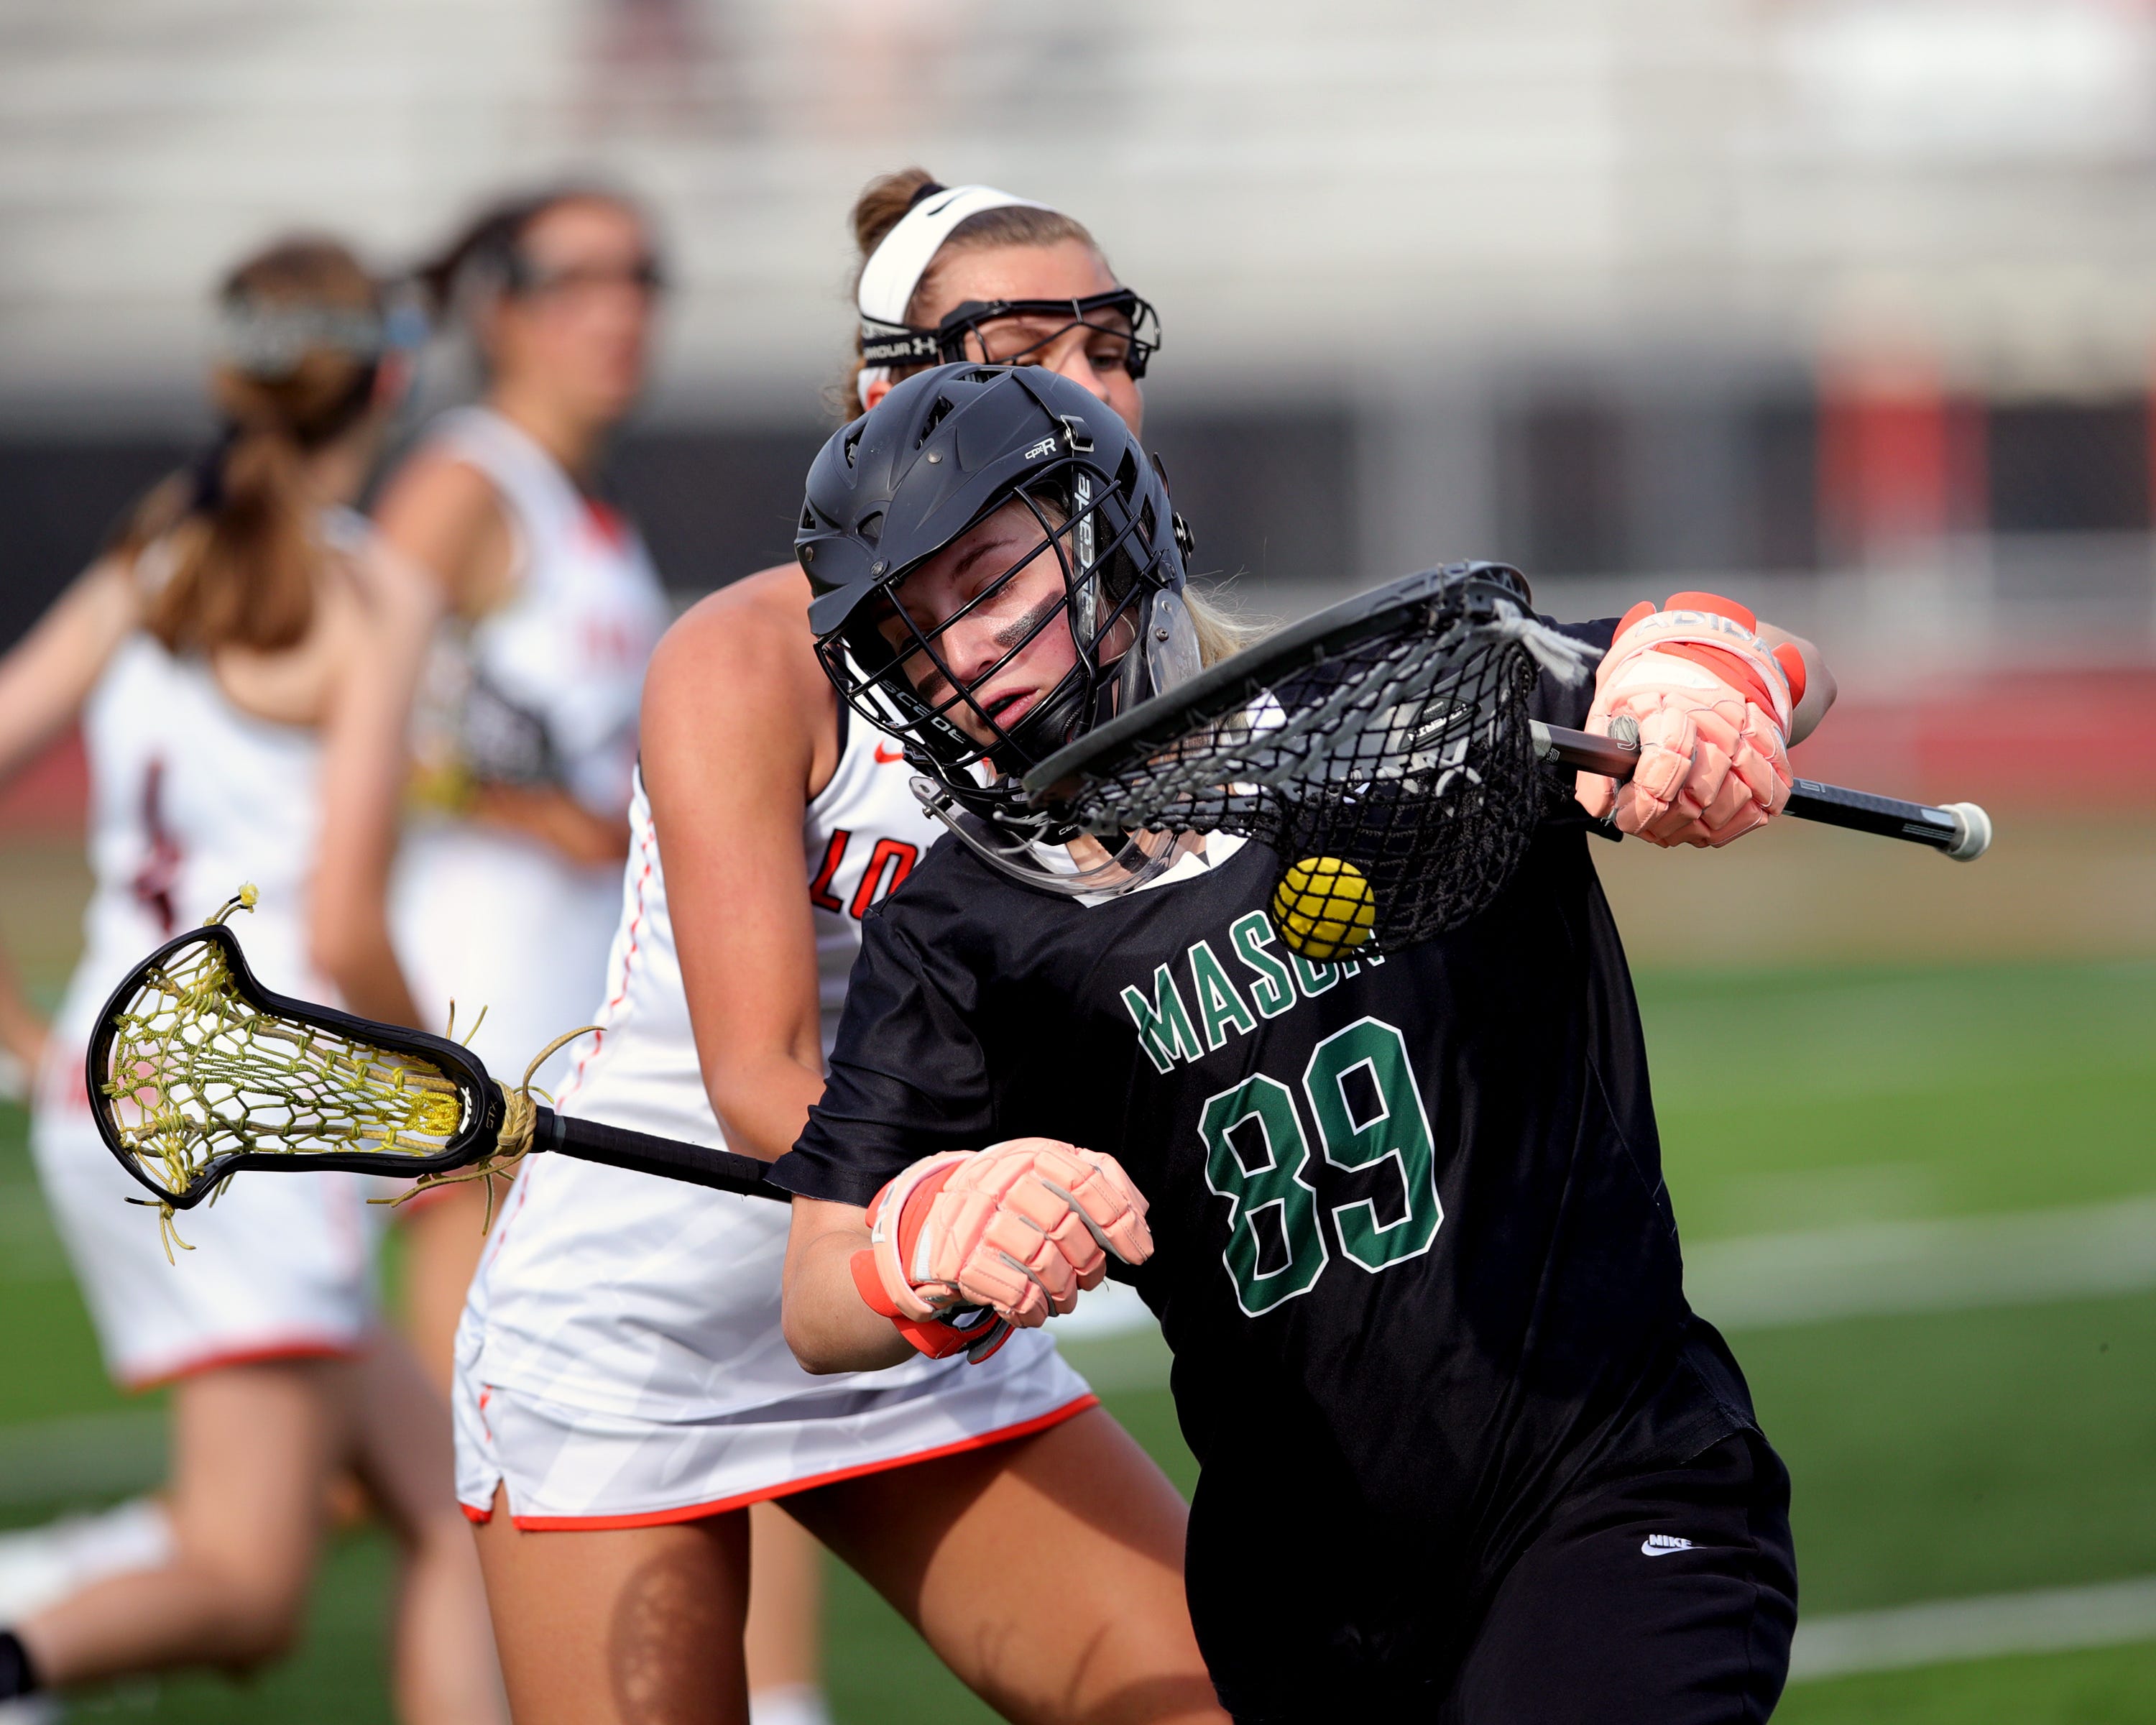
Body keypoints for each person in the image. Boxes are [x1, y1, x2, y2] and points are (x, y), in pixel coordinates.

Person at [772, 359, 1837, 1723]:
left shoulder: (1412, 702)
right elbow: (817, 1297)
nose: (961, 654)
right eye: (912, 632)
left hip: (1610, 1482)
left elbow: (1755, 661)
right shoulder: (962, 925)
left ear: (1107, 530)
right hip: (1300, 1597)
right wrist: (926, 1239)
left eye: (986, 583)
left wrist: (1705, 678)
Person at [446, 171, 1227, 1725]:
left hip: (918, 1302)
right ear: (887, 393)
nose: (1090, 387)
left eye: (1110, 345)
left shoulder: (1154, 658)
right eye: (1025, 351)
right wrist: (965, 1213)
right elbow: (762, 1077)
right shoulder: (748, 660)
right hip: (653, 1322)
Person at [0, 239, 502, 1724]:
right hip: (243, 1117)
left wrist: (32, 1046)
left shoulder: (155, 554)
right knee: (246, 1587)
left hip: (123, 1093)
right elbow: (343, 916)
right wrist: (452, 1093)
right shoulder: (370, 591)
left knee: (462, 1506)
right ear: (392, 382)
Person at [360, 186, 674, 1401]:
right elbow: (358, 713)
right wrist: (536, 814)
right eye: (576, 282)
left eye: (640, 279)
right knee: (475, 1400)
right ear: (499, 311)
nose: (621, 312)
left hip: (571, 979)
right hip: (477, 974)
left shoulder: (580, 500)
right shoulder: (464, 482)